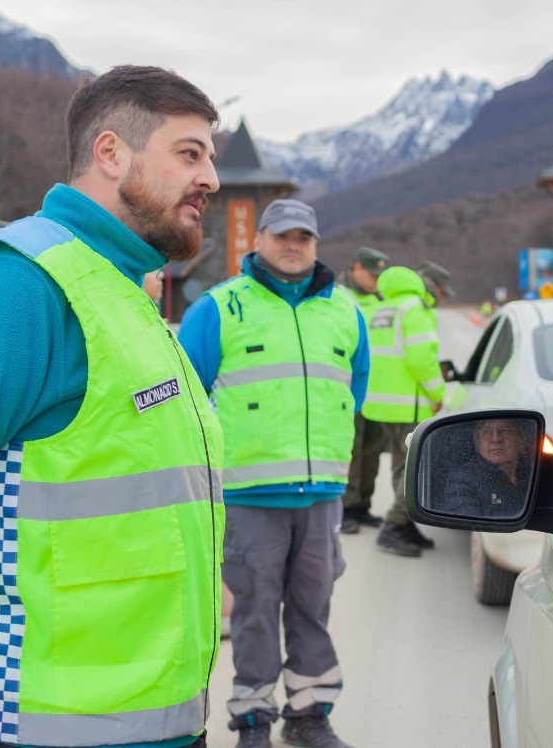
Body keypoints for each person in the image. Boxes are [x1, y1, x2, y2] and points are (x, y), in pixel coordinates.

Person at [0, 65, 225, 748]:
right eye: (190, 153)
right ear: (111, 153)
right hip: (37, 724)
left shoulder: (123, 290)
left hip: (155, 718)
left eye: (209, 156)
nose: (210, 177)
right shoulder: (16, 281)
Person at [178, 197, 369, 748]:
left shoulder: (345, 311)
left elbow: (351, 390)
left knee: (313, 610)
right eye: (282, 235)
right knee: (254, 615)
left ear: (315, 244)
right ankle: (254, 720)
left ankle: (309, 716)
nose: (293, 246)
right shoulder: (218, 309)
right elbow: (188, 397)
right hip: (248, 495)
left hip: (321, 496)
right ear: (258, 240)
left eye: (303, 238)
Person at [365, 261, 454, 557]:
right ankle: (393, 527)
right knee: (415, 469)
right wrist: (438, 392)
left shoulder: (383, 308)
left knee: (400, 466)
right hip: (409, 405)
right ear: (430, 286)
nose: (441, 298)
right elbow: (421, 359)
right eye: (441, 291)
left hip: (382, 403)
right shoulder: (415, 308)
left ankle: (405, 524)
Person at [337, 246, 391, 534]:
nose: (375, 280)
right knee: (351, 450)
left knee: (371, 450)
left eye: (380, 275)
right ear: (356, 268)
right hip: (348, 385)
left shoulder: (383, 301)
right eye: (372, 274)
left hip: (378, 389)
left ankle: (362, 505)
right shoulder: (339, 297)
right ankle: (345, 507)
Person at [437, 418, 534, 518]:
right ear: (479, 445)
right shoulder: (463, 480)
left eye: (504, 430)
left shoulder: (535, 473)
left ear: (521, 440)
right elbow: (468, 525)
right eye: (487, 432)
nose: (495, 439)